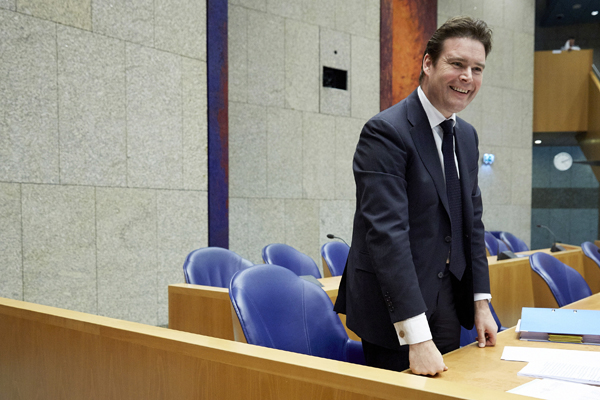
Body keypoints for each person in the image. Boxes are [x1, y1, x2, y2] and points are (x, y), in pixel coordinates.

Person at [334, 16, 498, 376]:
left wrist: (480, 302)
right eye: (457, 64)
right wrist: (417, 337)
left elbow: (472, 223)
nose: (467, 77)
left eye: (477, 69)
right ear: (427, 63)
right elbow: (386, 234)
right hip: (395, 308)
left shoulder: (466, 136)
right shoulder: (386, 131)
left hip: (448, 298)